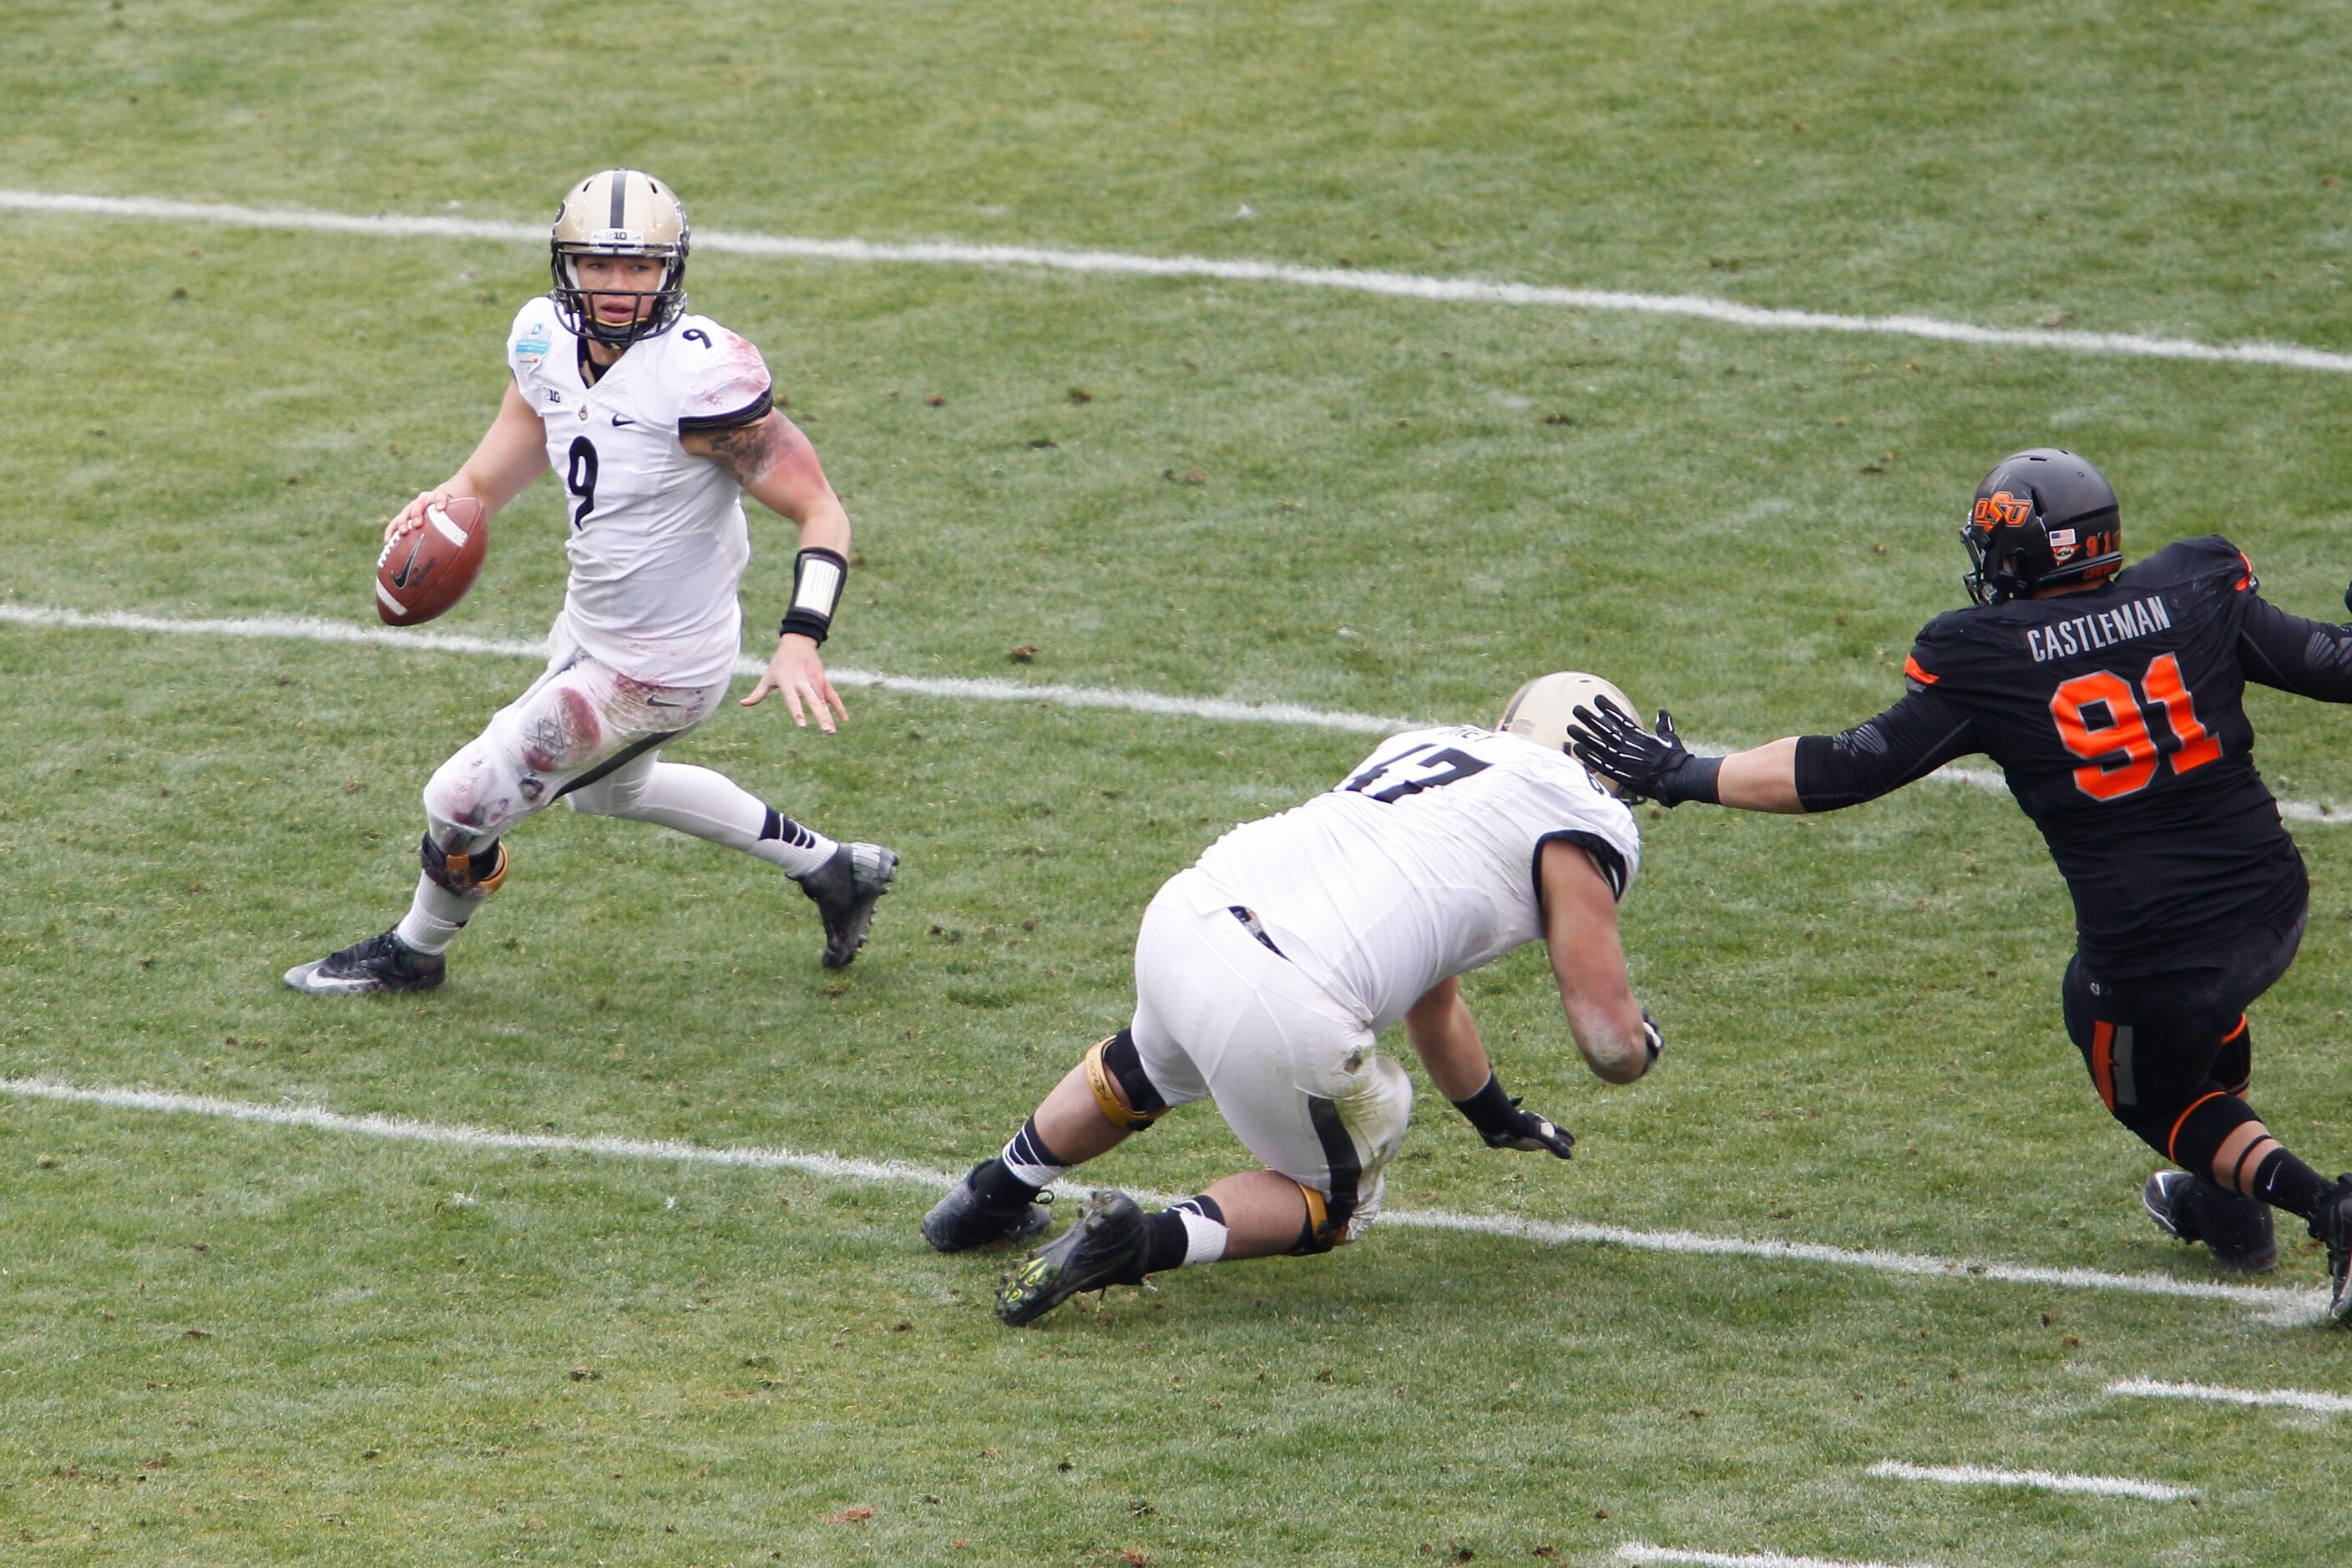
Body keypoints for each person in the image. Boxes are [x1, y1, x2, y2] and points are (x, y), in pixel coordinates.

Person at [1568, 448, 2352, 1322]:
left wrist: (1684, 772)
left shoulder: (1986, 653)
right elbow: (2336, 663)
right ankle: (2226, 1208)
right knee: (2199, 1013)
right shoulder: (2198, 584)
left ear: (2020, 556)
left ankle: (2326, 1205)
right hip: (2274, 904)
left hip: (2154, 953)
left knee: (2150, 1076)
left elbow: (1845, 768)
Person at [287, 169, 897, 995]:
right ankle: (833, 870)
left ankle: (415, 951)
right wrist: (453, 503)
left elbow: (822, 511)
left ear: (671, 270)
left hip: (660, 666)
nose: (617, 287)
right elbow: (519, 439)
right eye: (598, 265)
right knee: (610, 796)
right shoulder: (541, 335)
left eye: (640, 267)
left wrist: (800, 639)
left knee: (461, 799)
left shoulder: (702, 377)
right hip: (590, 623)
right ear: (564, 265)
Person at [922, 672, 1667, 1326]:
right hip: (1287, 993)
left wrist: (1492, 1113)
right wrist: (1641, 1049)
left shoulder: (1431, 749)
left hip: (1192, 910)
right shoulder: (1580, 818)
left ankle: (985, 1199)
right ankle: (1133, 1242)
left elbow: (1429, 996)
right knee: (1336, 1203)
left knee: (1148, 1061)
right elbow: (1609, 1043)